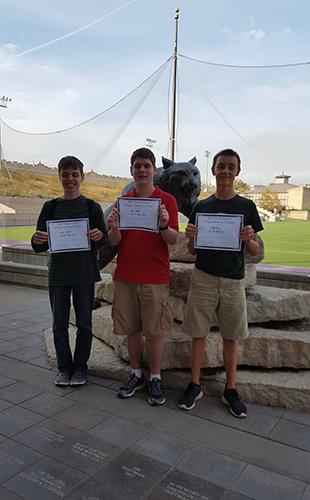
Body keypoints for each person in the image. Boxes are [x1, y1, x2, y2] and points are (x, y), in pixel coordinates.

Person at [178, 149, 263, 417]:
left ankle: (231, 388)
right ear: (213, 171)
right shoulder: (201, 207)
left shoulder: (246, 207)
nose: (225, 171)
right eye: (221, 166)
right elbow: (192, 250)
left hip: (233, 280)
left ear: (237, 171)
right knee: (198, 333)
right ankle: (195, 384)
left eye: (231, 166)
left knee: (231, 337)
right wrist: (190, 236)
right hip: (203, 277)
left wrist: (248, 237)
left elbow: (256, 252)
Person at [107, 147, 179, 406]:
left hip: (154, 277)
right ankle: (136, 374)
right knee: (132, 330)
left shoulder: (167, 200)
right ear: (131, 171)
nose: (141, 170)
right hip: (126, 275)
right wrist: (113, 227)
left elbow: (172, 239)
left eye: (146, 165)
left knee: (155, 331)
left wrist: (163, 224)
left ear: (153, 170)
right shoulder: (123, 201)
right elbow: (115, 241)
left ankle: (155, 378)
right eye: (137, 166)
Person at [31, 156, 107, 386]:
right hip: (59, 274)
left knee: (84, 324)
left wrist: (99, 236)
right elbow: (40, 243)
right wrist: (36, 239)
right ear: (60, 177)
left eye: (75, 174)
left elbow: (102, 240)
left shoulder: (92, 207)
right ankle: (64, 368)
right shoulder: (50, 207)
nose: (70, 179)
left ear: (82, 176)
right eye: (65, 174)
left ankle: (80, 367)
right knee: (59, 323)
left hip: (84, 273)